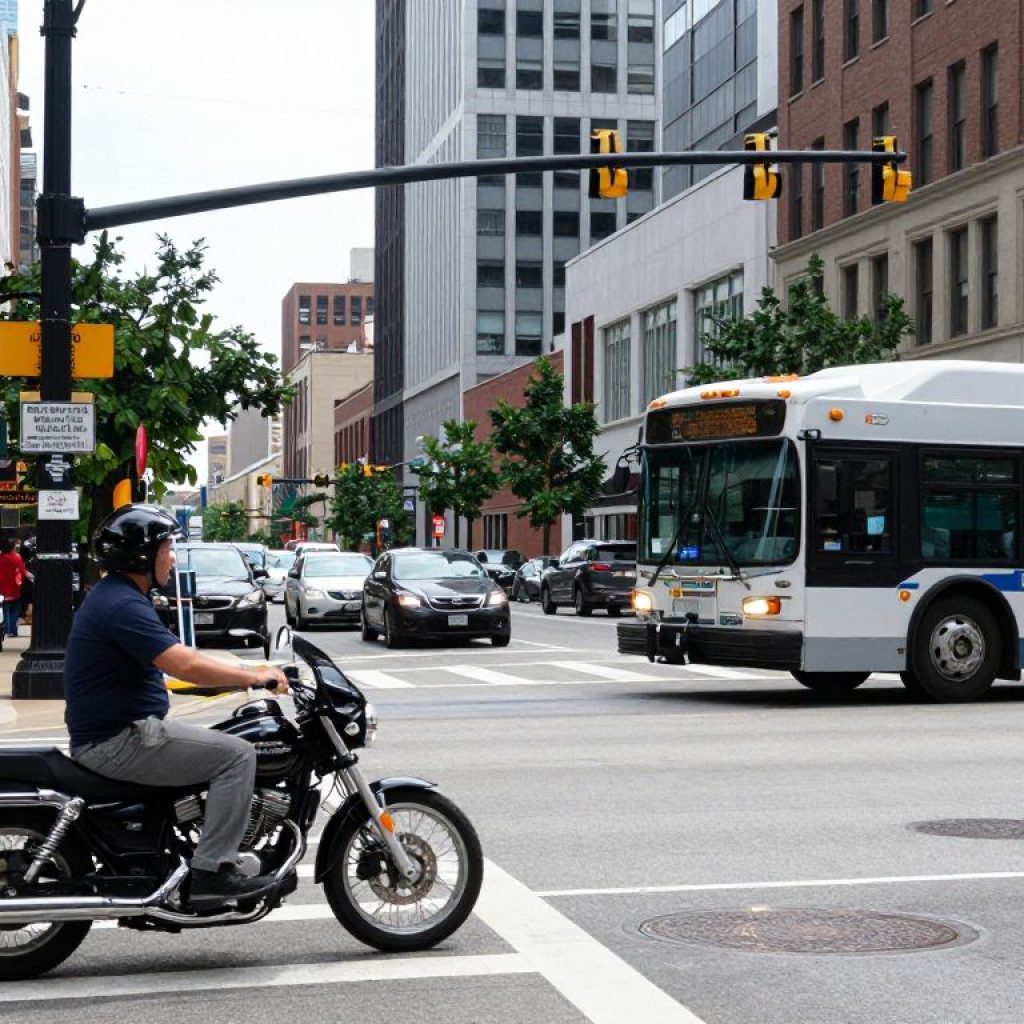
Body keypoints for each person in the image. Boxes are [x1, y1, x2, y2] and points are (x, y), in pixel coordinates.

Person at [64, 504, 289, 909]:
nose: (171, 556)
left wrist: (236, 677)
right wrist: (253, 675)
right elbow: (181, 662)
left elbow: (173, 666)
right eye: (166, 547)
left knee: (224, 739)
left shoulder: (119, 597)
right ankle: (211, 873)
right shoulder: (122, 605)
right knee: (237, 756)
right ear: (142, 556)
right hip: (118, 740)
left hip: (121, 732)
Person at [0, 535, 28, 638]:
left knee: (5, 610)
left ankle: (7, 629)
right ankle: (12, 629)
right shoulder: (16, 558)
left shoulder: (1, 558)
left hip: (2, 589)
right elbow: (22, 572)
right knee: (16, 610)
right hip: (15, 588)